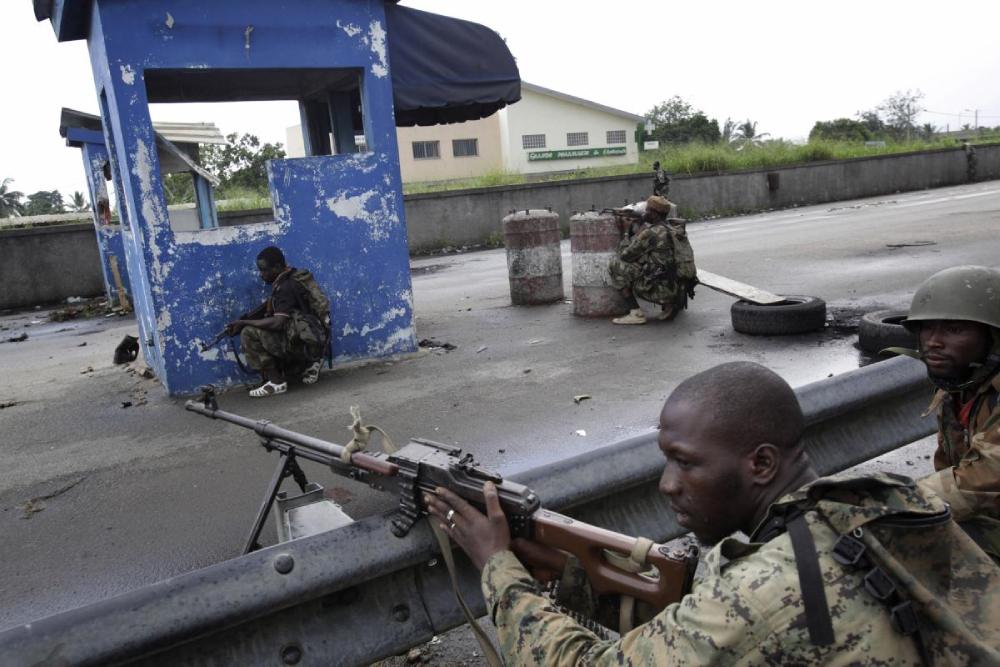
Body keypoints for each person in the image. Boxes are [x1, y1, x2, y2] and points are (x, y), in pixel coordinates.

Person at [425, 362, 999, 665]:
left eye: (685, 463)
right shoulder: (878, 503)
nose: (666, 485)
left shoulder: (761, 591)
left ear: (761, 464)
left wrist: (498, 568)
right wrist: (571, 577)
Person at [901, 265, 1000, 563]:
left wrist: (883, 504)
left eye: (954, 329)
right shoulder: (957, 391)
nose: (934, 341)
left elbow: (975, 485)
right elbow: (946, 469)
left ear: (993, 337)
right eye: (928, 328)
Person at [226, 246, 328, 397]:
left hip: (302, 345)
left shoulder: (285, 288)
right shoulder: (292, 278)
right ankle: (308, 363)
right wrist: (245, 319)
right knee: (256, 326)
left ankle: (276, 383)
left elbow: (278, 323)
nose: (261, 275)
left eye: (264, 270)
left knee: (248, 333)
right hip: (311, 341)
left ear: (278, 267)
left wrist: (244, 324)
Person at [608, 195, 696, 325]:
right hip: (679, 286)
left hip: (661, 289)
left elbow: (625, 255)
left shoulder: (650, 233)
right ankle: (670, 304)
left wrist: (626, 231)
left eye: (648, 210)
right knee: (657, 265)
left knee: (615, 265)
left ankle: (635, 313)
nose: (645, 212)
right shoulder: (674, 228)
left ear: (654, 214)